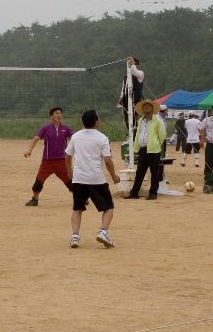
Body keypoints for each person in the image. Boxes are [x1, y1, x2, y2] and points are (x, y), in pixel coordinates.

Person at [66, 109, 119, 248]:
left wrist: (69, 171)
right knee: (108, 207)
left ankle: (75, 237)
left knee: (77, 208)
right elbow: (107, 160)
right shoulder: (102, 138)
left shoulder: (76, 136)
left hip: (79, 178)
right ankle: (103, 231)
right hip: (96, 178)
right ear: (96, 122)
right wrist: (114, 176)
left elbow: (67, 156)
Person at [25, 107, 74, 206]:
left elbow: (76, 138)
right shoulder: (45, 129)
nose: (59, 115)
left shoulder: (66, 129)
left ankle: (80, 197)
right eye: (57, 113)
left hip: (62, 161)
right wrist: (29, 150)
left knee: (70, 182)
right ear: (51, 117)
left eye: (60, 113)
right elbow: (36, 139)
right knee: (38, 182)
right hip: (47, 162)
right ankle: (35, 199)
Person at [127, 102, 167, 200]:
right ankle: (134, 193)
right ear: (143, 109)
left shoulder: (157, 121)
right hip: (142, 149)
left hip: (153, 150)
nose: (147, 108)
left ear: (152, 109)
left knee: (154, 173)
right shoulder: (140, 120)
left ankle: (153, 193)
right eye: (145, 106)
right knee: (139, 172)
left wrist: (156, 144)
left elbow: (162, 136)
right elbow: (138, 134)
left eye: (149, 106)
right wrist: (137, 147)